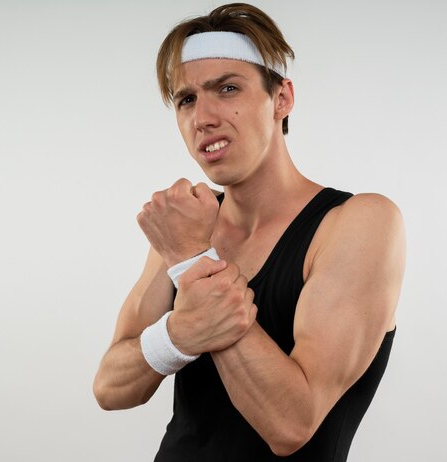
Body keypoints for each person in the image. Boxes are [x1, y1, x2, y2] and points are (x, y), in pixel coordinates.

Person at [93, 3, 405, 461]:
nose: (203, 117)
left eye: (228, 88)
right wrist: (179, 335)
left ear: (281, 99)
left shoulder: (358, 223)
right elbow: (110, 387)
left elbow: (291, 423)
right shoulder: (189, 230)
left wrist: (194, 264)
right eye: (186, 99)